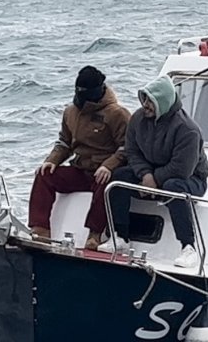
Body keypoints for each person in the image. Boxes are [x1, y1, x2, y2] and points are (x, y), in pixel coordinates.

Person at [99, 75, 208, 268]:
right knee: (119, 178)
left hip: (192, 178)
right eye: (144, 99)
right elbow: (131, 151)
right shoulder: (138, 119)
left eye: (150, 100)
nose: (146, 105)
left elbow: (182, 169)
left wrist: (154, 180)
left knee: (172, 186)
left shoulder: (187, 130)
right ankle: (120, 237)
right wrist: (145, 175)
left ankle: (189, 247)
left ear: (163, 102)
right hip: (149, 173)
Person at [28, 66, 131, 250]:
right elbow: (64, 143)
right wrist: (52, 160)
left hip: (103, 169)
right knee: (44, 175)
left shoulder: (118, 114)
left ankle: (95, 234)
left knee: (105, 183)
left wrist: (109, 165)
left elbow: (127, 147)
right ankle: (40, 229)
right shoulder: (70, 112)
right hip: (80, 168)